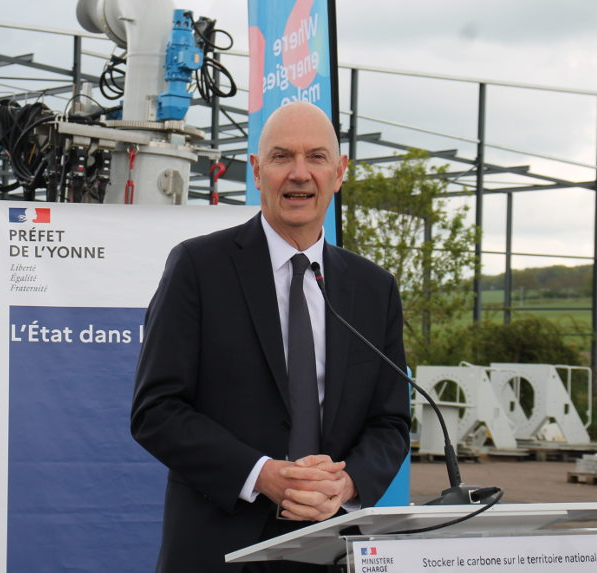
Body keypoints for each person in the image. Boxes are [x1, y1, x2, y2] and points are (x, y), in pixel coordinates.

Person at [131, 101, 410, 572]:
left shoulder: (373, 288)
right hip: (217, 549)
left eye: (316, 158)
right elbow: (156, 410)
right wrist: (264, 475)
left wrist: (345, 486)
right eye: (282, 157)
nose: (299, 173)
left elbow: (391, 422)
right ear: (258, 172)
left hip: (332, 545)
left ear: (339, 172)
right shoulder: (198, 268)